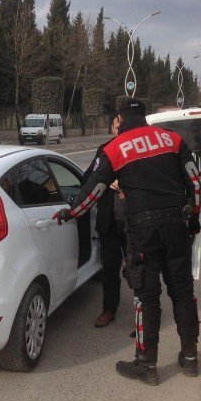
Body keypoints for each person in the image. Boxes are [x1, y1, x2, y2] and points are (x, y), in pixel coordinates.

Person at [52, 99, 201, 385]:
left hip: (143, 231)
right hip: (176, 227)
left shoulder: (114, 148)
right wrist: (192, 218)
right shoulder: (172, 140)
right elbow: (195, 183)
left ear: (119, 118)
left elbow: (92, 191)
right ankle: (191, 358)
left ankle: (146, 364)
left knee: (147, 298)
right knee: (183, 292)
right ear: (143, 116)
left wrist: (69, 213)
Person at [83, 114, 126, 328]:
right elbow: (88, 178)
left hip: (134, 220)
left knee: (140, 270)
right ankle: (109, 309)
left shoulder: (136, 149)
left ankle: (144, 316)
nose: (120, 127)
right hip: (109, 220)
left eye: (123, 123)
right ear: (112, 128)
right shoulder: (105, 149)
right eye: (117, 124)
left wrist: (126, 183)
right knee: (110, 268)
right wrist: (108, 182)